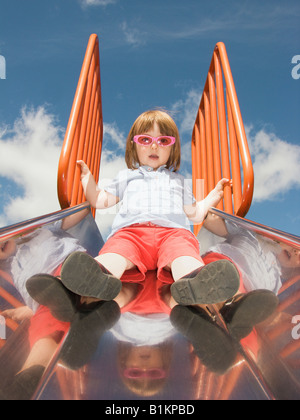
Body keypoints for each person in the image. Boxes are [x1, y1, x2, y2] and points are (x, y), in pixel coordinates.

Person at [52, 109, 240, 308]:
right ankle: (96, 277)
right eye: (145, 139)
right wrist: (87, 180)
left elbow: (195, 213)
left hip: (173, 233)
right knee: (117, 252)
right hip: (132, 232)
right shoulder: (127, 176)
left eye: (163, 141)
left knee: (183, 254)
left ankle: (195, 281)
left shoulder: (178, 181)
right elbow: (100, 200)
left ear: (172, 149)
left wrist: (213, 196)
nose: (154, 146)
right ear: (134, 145)